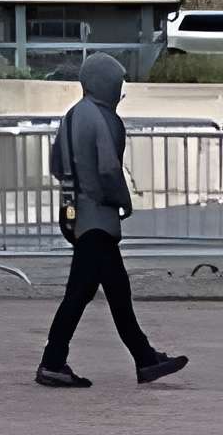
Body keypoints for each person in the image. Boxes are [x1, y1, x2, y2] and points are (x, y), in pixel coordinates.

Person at [38, 52, 187, 388]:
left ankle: (144, 358)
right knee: (82, 294)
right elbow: (108, 168)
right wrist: (123, 200)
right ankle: (53, 361)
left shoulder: (73, 115)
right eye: (118, 85)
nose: (120, 93)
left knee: (111, 290)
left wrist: (72, 196)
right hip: (98, 218)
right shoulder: (103, 119)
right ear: (106, 84)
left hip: (77, 214)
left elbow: (57, 164)